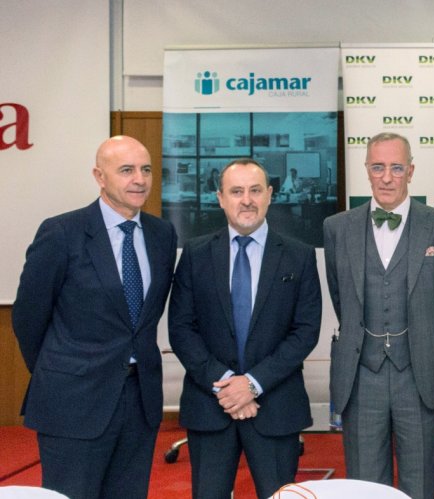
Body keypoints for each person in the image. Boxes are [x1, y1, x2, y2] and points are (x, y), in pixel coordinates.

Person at [12, 136, 178, 499]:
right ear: (99, 176)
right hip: (72, 401)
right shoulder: (61, 233)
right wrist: (61, 372)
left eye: (146, 169)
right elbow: (28, 317)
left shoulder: (161, 234)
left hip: (139, 401)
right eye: (126, 170)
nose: (140, 179)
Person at [168, 158, 322, 498]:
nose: (246, 200)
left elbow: (305, 331)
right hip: (210, 407)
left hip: (276, 405)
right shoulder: (195, 253)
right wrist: (227, 386)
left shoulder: (299, 255)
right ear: (220, 198)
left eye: (255, 190)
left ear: (269, 195)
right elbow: (181, 328)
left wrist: (252, 384)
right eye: (236, 191)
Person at [324, 132, 434, 499]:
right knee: (365, 485)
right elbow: (341, 297)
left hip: (419, 376)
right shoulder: (337, 228)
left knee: (420, 484)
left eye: (396, 167)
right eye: (378, 167)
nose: (387, 177)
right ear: (367, 171)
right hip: (361, 376)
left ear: (411, 171)